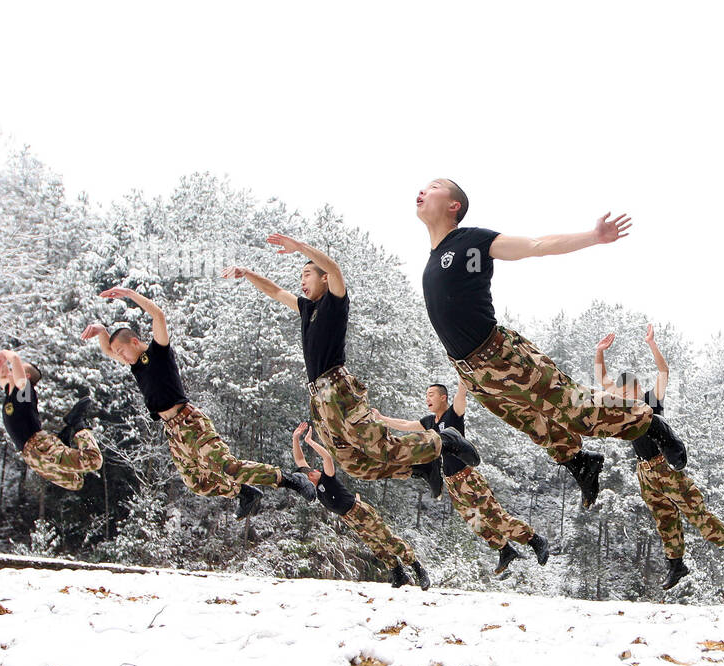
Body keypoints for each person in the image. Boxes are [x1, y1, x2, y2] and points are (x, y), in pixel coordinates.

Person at [415, 178, 688, 509]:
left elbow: (536, 245)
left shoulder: (470, 242)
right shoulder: (433, 259)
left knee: (575, 409)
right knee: (534, 422)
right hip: (473, 373)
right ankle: (580, 462)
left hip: (501, 355)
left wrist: (594, 236)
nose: (423, 190)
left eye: (434, 186)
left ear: (453, 205)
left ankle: (651, 424)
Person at [222, 235, 478, 483]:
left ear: (324, 278)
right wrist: (247, 273)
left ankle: (446, 440)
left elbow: (334, 269)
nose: (302, 281)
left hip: (338, 390)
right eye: (300, 277)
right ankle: (418, 469)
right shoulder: (306, 309)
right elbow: (276, 291)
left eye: (307, 274)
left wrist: (300, 247)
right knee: (354, 465)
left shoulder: (334, 303)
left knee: (381, 447)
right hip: (319, 400)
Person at [82, 286, 315, 519]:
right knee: (197, 483)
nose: (119, 356)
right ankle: (244, 493)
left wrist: (129, 294)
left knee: (229, 467)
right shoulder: (135, 366)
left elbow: (158, 315)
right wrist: (102, 331)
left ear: (134, 342)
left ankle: (292, 480)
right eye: (117, 353)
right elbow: (108, 350)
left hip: (190, 422)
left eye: (121, 350)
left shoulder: (158, 352)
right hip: (172, 431)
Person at [595, 325, 724, 589]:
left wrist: (652, 344)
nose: (622, 398)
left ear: (637, 389)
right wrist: (599, 352)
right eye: (619, 395)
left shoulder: (650, 401)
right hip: (644, 472)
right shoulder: (622, 408)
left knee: (696, 513)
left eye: (626, 393)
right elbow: (603, 378)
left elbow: (663, 372)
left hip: (666, 467)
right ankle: (677, 565)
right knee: (664, 518)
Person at [371, 379, 550, 574]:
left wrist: (461, 374)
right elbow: (406, 424)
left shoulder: (453, 415)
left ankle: (535, 540)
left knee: (496, 519)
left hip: (468, 479)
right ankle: (505, 550)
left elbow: (461, 395)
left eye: (431, 395)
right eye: (426, 396)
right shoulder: (430, 422)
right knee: (476, 522)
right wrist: (382, 418)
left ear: (443, 397)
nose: (427, 399)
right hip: (452, 484)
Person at [292, 423, 429, 589]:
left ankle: (418, 569)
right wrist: (295, 438)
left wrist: (310, 442)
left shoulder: (326, 477)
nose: (313, 471)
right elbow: (299, 460)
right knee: (375, 545)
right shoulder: (312, 484)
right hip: (348, 518)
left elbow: (327, 457)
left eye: (311, 472)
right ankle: (398, 573)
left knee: (387, 540)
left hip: (359, 511)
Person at [0, 348, 101, 491]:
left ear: (26, 376)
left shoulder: (25, 391)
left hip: (39, 447)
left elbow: (15, 358)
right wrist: (0, 363)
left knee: (94, 460)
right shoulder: (11, 393)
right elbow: (3, 374)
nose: (11, 371)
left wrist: (4, 353)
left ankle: (78, 424)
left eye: (16, 370)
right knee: (75, 481)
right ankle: (63, 440)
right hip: (32, 455)